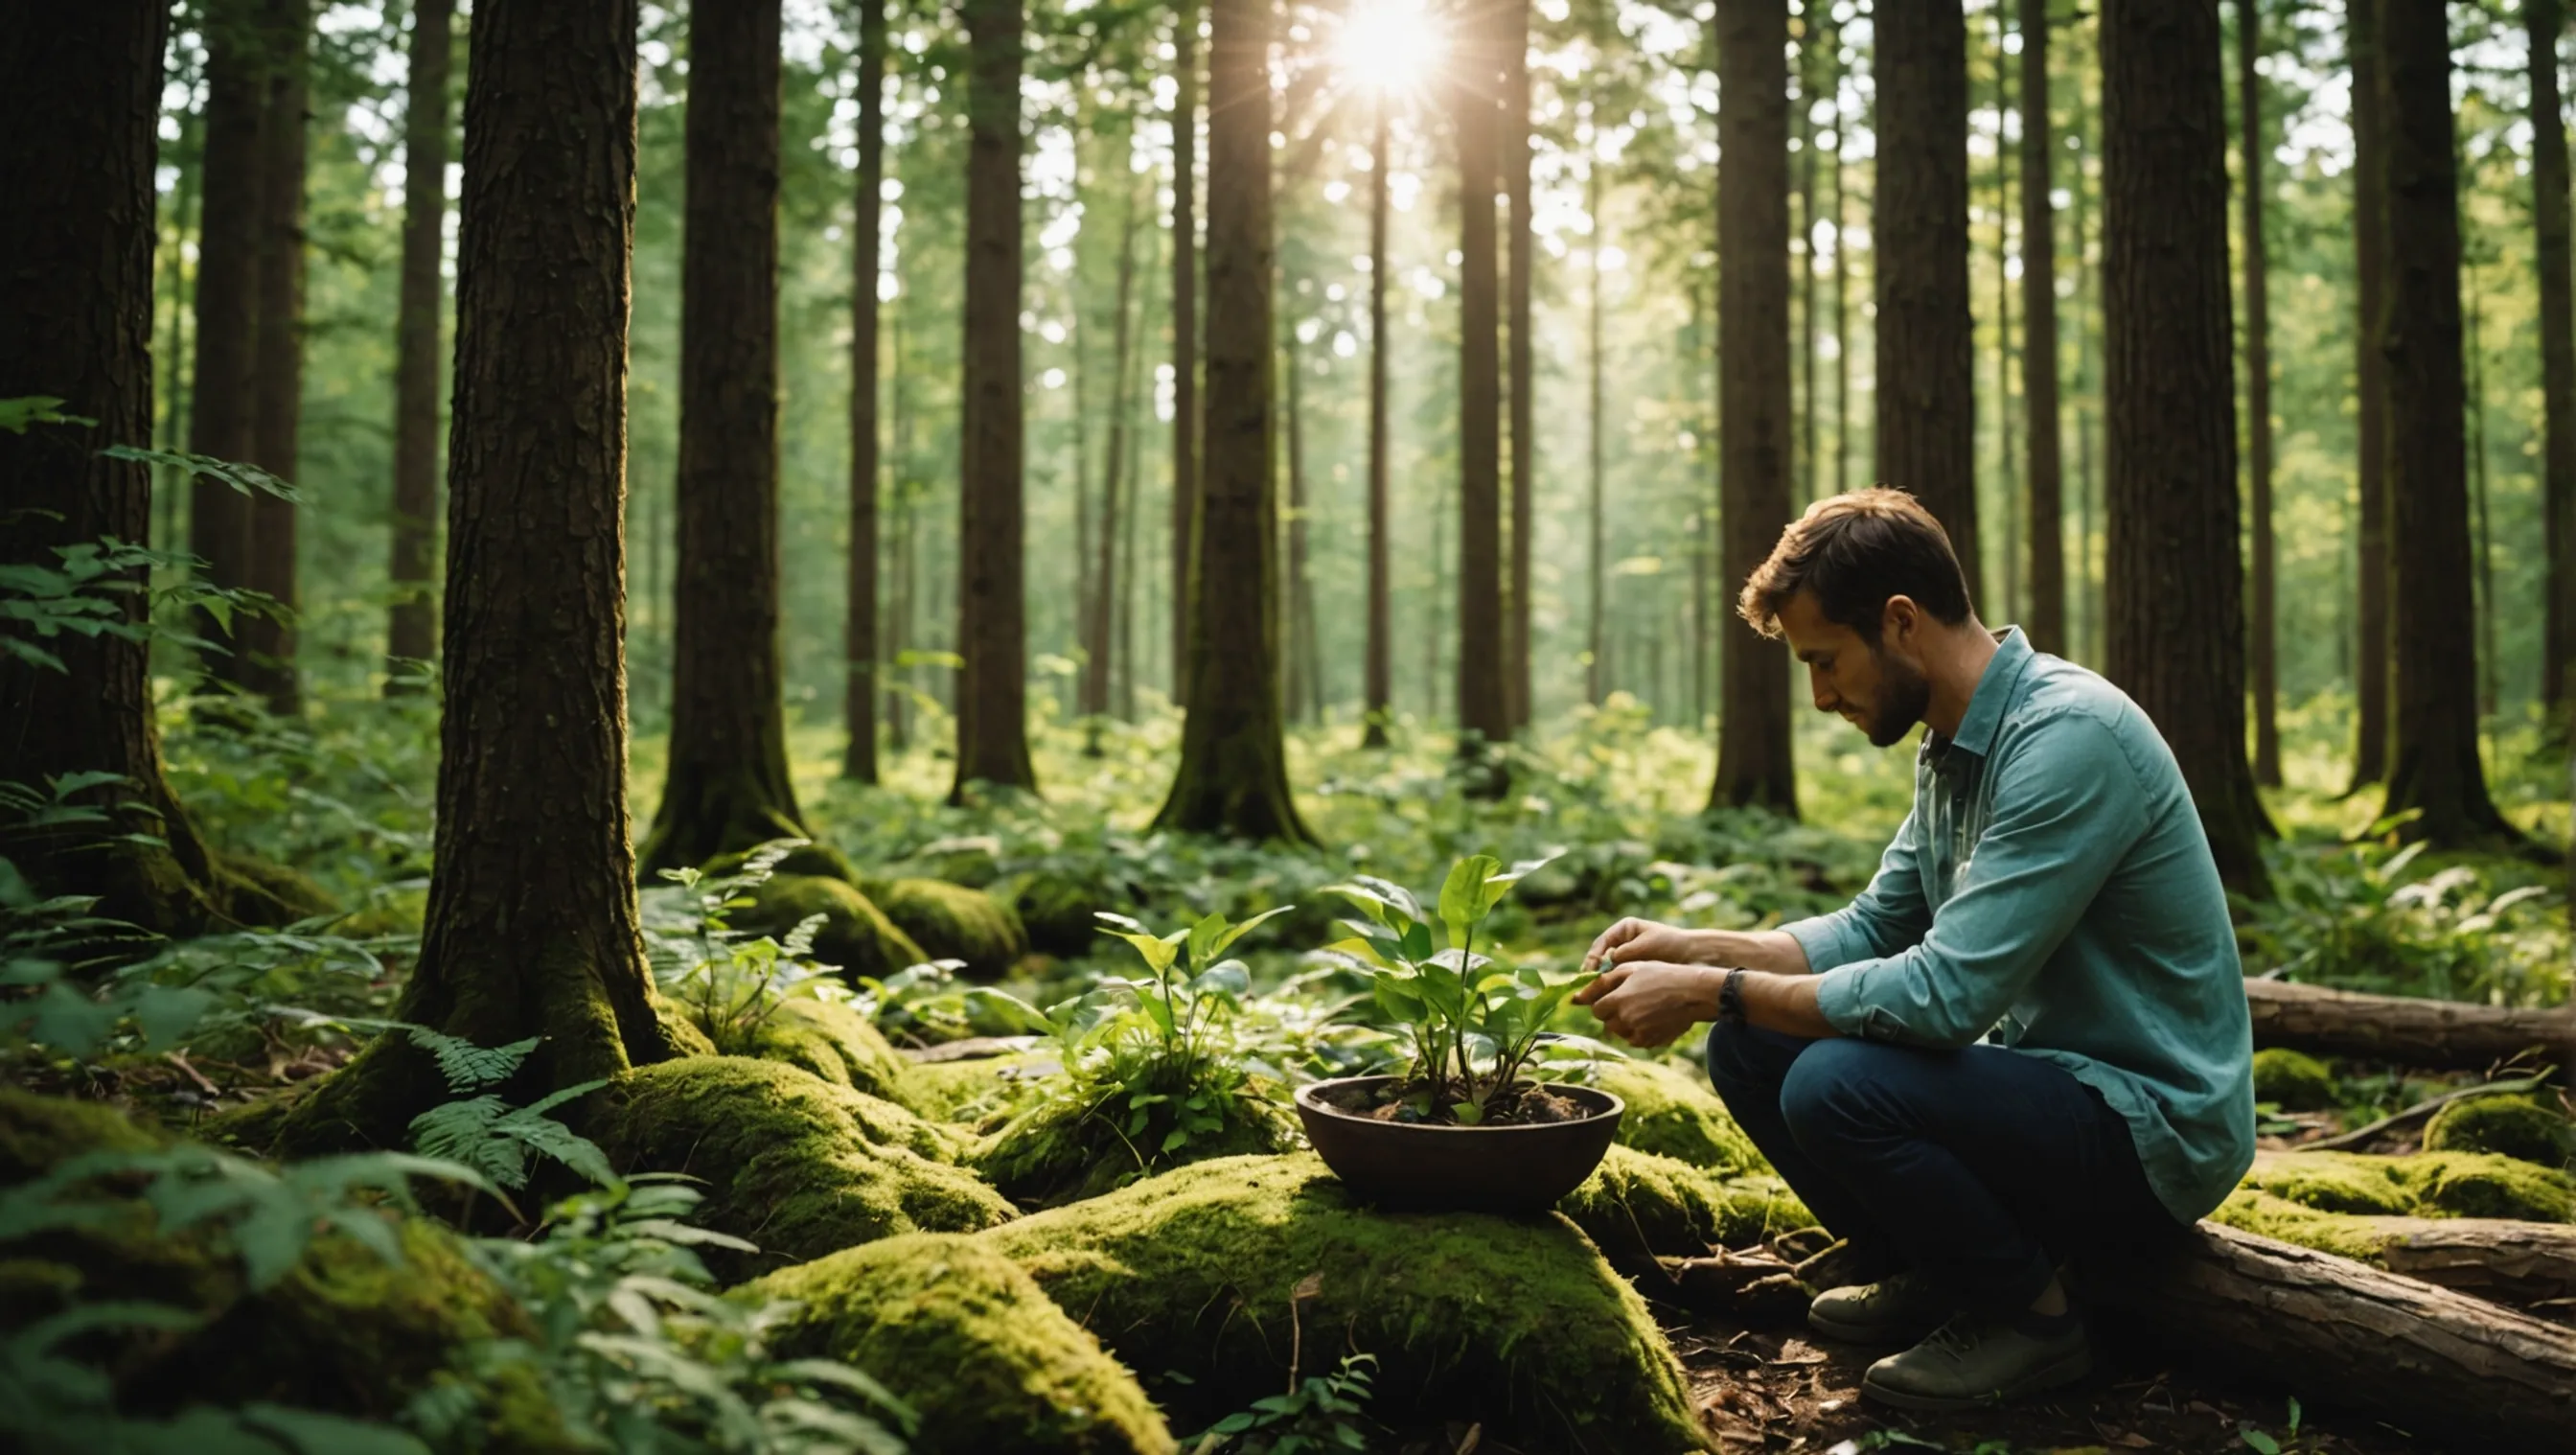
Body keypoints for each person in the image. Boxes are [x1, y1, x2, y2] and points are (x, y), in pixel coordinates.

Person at [1574, 488, 2253, 1412]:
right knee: (1751, 1047)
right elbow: (1870, 928)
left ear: (1899, 621)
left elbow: (1944, 998)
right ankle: (1941, 1272)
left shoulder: (2066, 737)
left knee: (1831, 1081)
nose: (1819, 697)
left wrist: (1708, 986)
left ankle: (2036, 1323)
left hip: (2152, 1126)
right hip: (2048, 1087)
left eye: (1825, 661)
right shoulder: (1953, 746)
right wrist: (1700, 947)